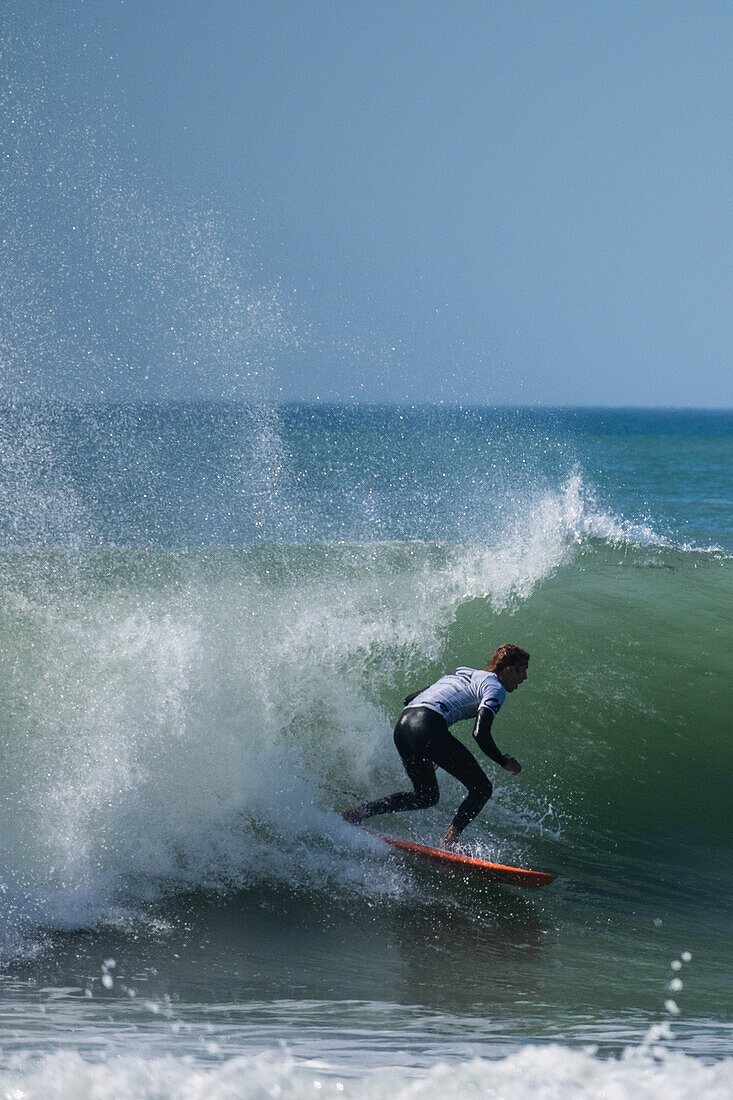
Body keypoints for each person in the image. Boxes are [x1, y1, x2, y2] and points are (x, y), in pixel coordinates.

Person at [342, 644, 529, 850]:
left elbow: (410, 698)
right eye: (523, 669)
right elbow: (480, 734)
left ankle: (356, 814)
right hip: (428, 726)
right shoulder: (495, 688)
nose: (525, 677)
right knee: (482, 788)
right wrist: (504, 761)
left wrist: (431, 747)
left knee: (426, 796)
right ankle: (448, 843)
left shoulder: (462, 671)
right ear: (508, 669)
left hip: (404, 726)